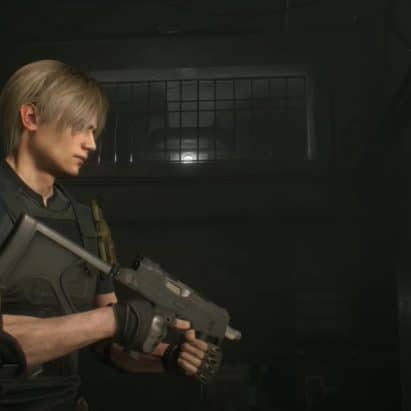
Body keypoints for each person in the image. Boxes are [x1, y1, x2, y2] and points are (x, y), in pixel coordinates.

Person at [0, 60, 222, 410]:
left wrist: (168, 356)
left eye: (93, 131)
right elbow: (108, 322)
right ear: (31, 118)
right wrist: (113, 320)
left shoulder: (86, 221)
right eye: (80, 127)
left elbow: (109, 346)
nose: (91, 143)